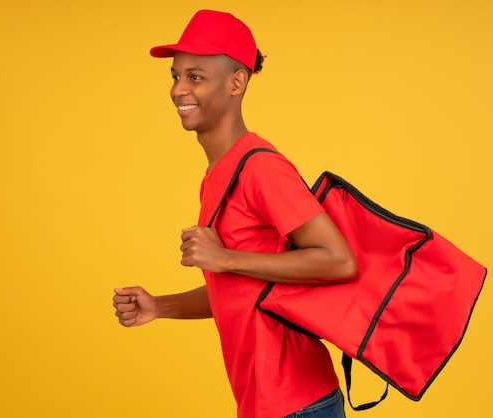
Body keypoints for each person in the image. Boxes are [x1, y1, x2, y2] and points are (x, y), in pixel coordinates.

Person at [112, 9, 357, 418]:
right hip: (262, 402)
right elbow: (239, 289)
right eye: (175, 76)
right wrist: (159, 306)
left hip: (297, 403)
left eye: (195, 76)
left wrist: (223, 257)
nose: (178, 90)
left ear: (236, 82)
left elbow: (339, 260)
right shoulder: (215, 176)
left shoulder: (260, 167)